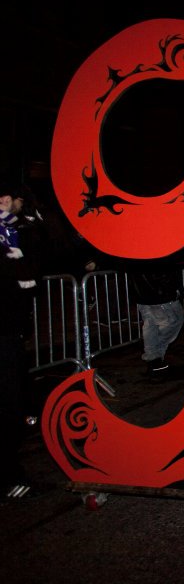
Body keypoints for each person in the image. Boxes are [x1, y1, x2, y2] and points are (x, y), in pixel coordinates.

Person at [0, 185, 38, 497]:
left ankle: (11, 472)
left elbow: (36, 265)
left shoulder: (14, 231)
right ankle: (9, 477)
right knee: (9, 402)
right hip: (3, 330)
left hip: (10, 328)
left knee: (13, 401)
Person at [129, 260, 184, 377]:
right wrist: (174, 289)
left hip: (143, 294)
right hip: (160, 294)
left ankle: (153, 360)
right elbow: (162, 269)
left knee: (150, 325)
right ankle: (154, 355)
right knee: (173, 321)